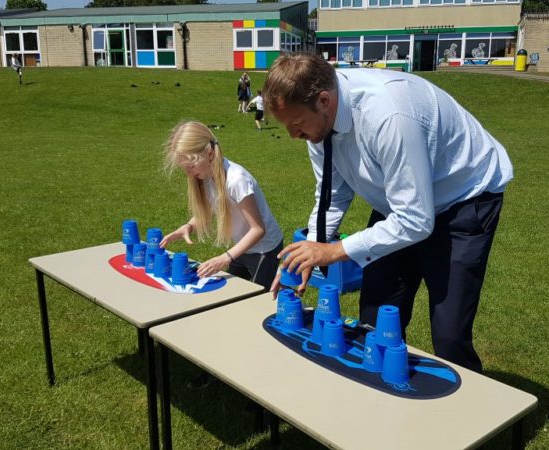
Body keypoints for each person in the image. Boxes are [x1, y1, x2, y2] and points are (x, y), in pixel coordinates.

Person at [263, 53, 513, 373]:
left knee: (449, 335)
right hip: (399, 206)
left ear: (324, 100)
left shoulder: (388, 114)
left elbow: (416, 220)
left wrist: (333, 251)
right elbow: (333, 195)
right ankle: (384, 405)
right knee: (374, 318)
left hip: (465, 197)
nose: (293, 136)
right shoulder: (317, 122)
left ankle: (472, 415)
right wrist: (308, 251)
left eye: (296, 125)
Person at [160, 121, 284, 387]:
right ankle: (219, 370)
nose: (190, 173)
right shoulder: (206, 177)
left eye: (190, 165)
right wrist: (189, 225)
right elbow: (215, 206)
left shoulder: (237, 180)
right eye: (185, 168)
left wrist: (225, 258)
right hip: (241, 250)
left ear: (208, 153)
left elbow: (257, 229)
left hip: (265, 251)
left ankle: (260, 380)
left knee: (256, 314)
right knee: (225, 308)